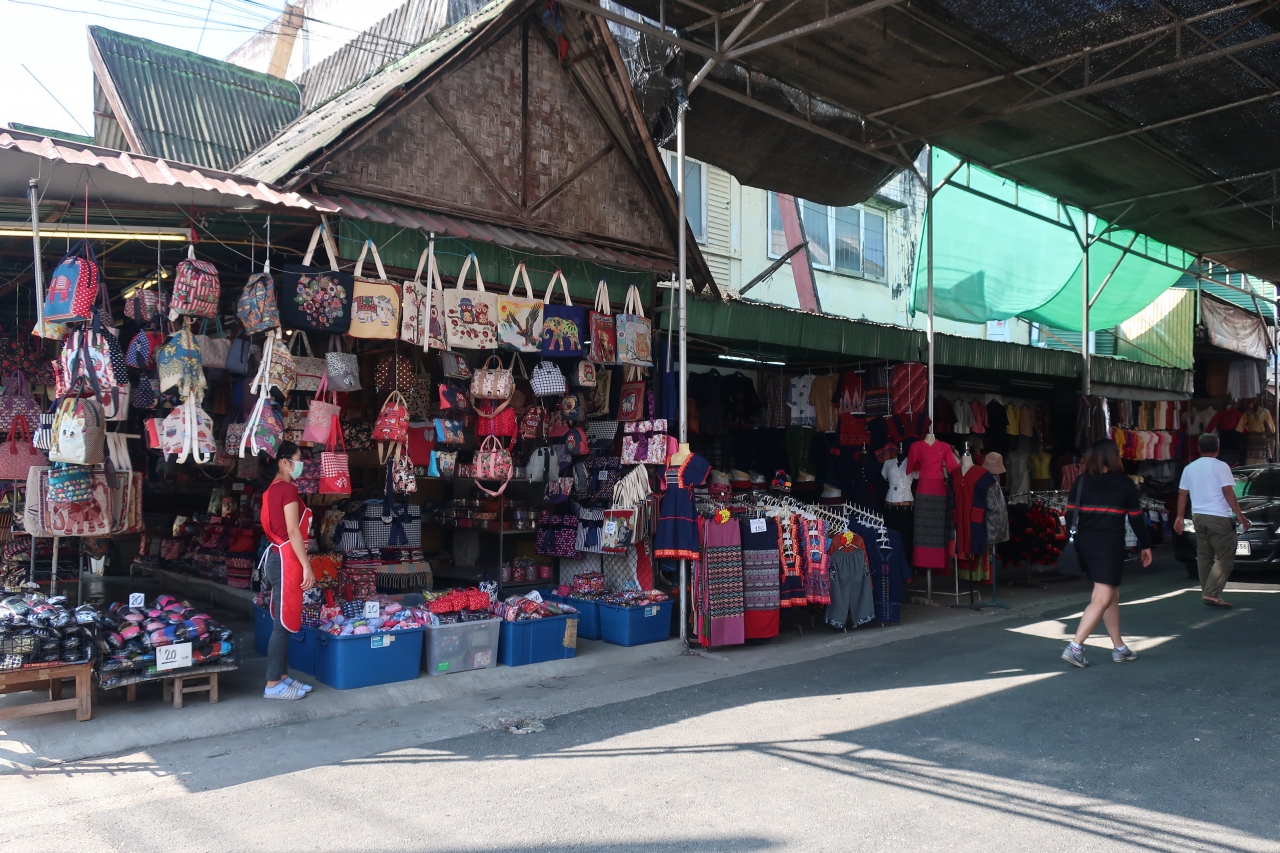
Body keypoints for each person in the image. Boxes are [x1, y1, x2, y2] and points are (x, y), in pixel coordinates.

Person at [1061, 439, 1153, 668]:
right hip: (1109, 545)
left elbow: (1070, 516)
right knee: (1102, 597)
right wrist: (1146, 545)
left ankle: (1119, 647)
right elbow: (1136, 518)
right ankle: (1075, 646)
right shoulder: (1125, 484)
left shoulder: (1081, 482)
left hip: (1085, 543)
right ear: (1113, 457)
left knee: (1110, 595)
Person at [256, 441, 315, 699]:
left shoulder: (271, 490)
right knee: (282, 624)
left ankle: (282, 677)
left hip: (276, 556)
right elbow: (292, 531)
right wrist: (306, 565)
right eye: (298, 459)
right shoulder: (288, 490)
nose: (301, 464)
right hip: (286, 559)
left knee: (283, 619)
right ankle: (272, 684)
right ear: (284, 461)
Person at [1173, 433, 1250, 608]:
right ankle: (1211, 592)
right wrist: (1240, 516)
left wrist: (1179, 517)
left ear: (1198, 448)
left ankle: (1207, 591)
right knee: (1225, 555)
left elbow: (1182, 494)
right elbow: (1228, 491)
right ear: (1218, 448)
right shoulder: (1221, 466)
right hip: (1218, 516)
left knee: (1204, 556)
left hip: (1198, 516)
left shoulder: (1190, 468)